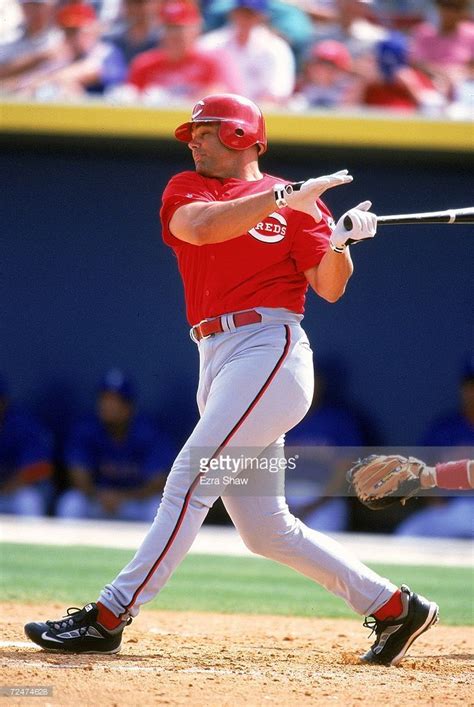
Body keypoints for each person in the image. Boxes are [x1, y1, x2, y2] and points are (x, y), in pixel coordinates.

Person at [25, 93, 439, 666]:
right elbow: (200, 230)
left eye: (206, 130)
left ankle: (109, 615)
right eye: (193, 132)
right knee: (266, 528)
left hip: (270, 352)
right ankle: (395, 607)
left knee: (190, 482)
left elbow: (329, 284)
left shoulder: (301, 204)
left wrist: (341, 239)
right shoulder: (191, 190)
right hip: (217, 356)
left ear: (245, 135)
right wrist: (282, 198)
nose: (193, 139)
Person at [56, 368, 174, 521]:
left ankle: (156, 546)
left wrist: (123, 497)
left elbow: (158, 483)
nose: (107, 406)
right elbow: (78, 477)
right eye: (104, 399)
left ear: (128, 407)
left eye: (115, 401)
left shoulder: (148, 432)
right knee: (71, 502)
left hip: (134, 503)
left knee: (157, 507)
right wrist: (100, 495)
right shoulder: (86, 429)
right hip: (97, 500)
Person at [125, 0, 241, 104]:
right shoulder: (144, 63)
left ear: (195, 30)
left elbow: (223, 96)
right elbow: (129, 99)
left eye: (180, 28)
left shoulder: (213, 61)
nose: (174, 34)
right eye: (169, 28)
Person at [12, 2, 127, 99]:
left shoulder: (105, 52)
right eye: (68, 32)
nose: (73, 37)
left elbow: (89, 72)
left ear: (93, 29)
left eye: (77, 31)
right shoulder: (62, 57)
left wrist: (43, 81)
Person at [199, 0, 296, 105]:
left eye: (250, 13)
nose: (244, 17)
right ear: (232, 12)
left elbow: (278, 93)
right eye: (241, 11)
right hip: (218, 111)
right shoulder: (210, 43)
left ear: (262, 16)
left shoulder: (277, 48)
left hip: (260, 114)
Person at [0, 374, 54, 516]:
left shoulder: (23, 425)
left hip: (17, 494)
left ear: (3, 401)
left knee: (28, 500)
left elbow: (39, 469)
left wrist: (7, 489)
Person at [409, 0, 474, 100]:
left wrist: (459, 75)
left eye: (457, 7)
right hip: (427, 81)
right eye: (446, 5)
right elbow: (414, 62)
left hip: (463, 84)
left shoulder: (471, 33)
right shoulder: (423, 31)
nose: (450, 11)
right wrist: (439, 74)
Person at [0, 0, 64, 90]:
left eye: (38, 6)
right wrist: (40, 58)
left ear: (49, 8)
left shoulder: (62, 36)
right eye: (29, 6)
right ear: (22, 8)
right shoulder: (9, 36)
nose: (34, 11)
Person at [104, 0, 162, 66]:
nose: (135, 9)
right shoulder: (111, 39)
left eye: (140, 4)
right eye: (130, 4)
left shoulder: (163, 39)